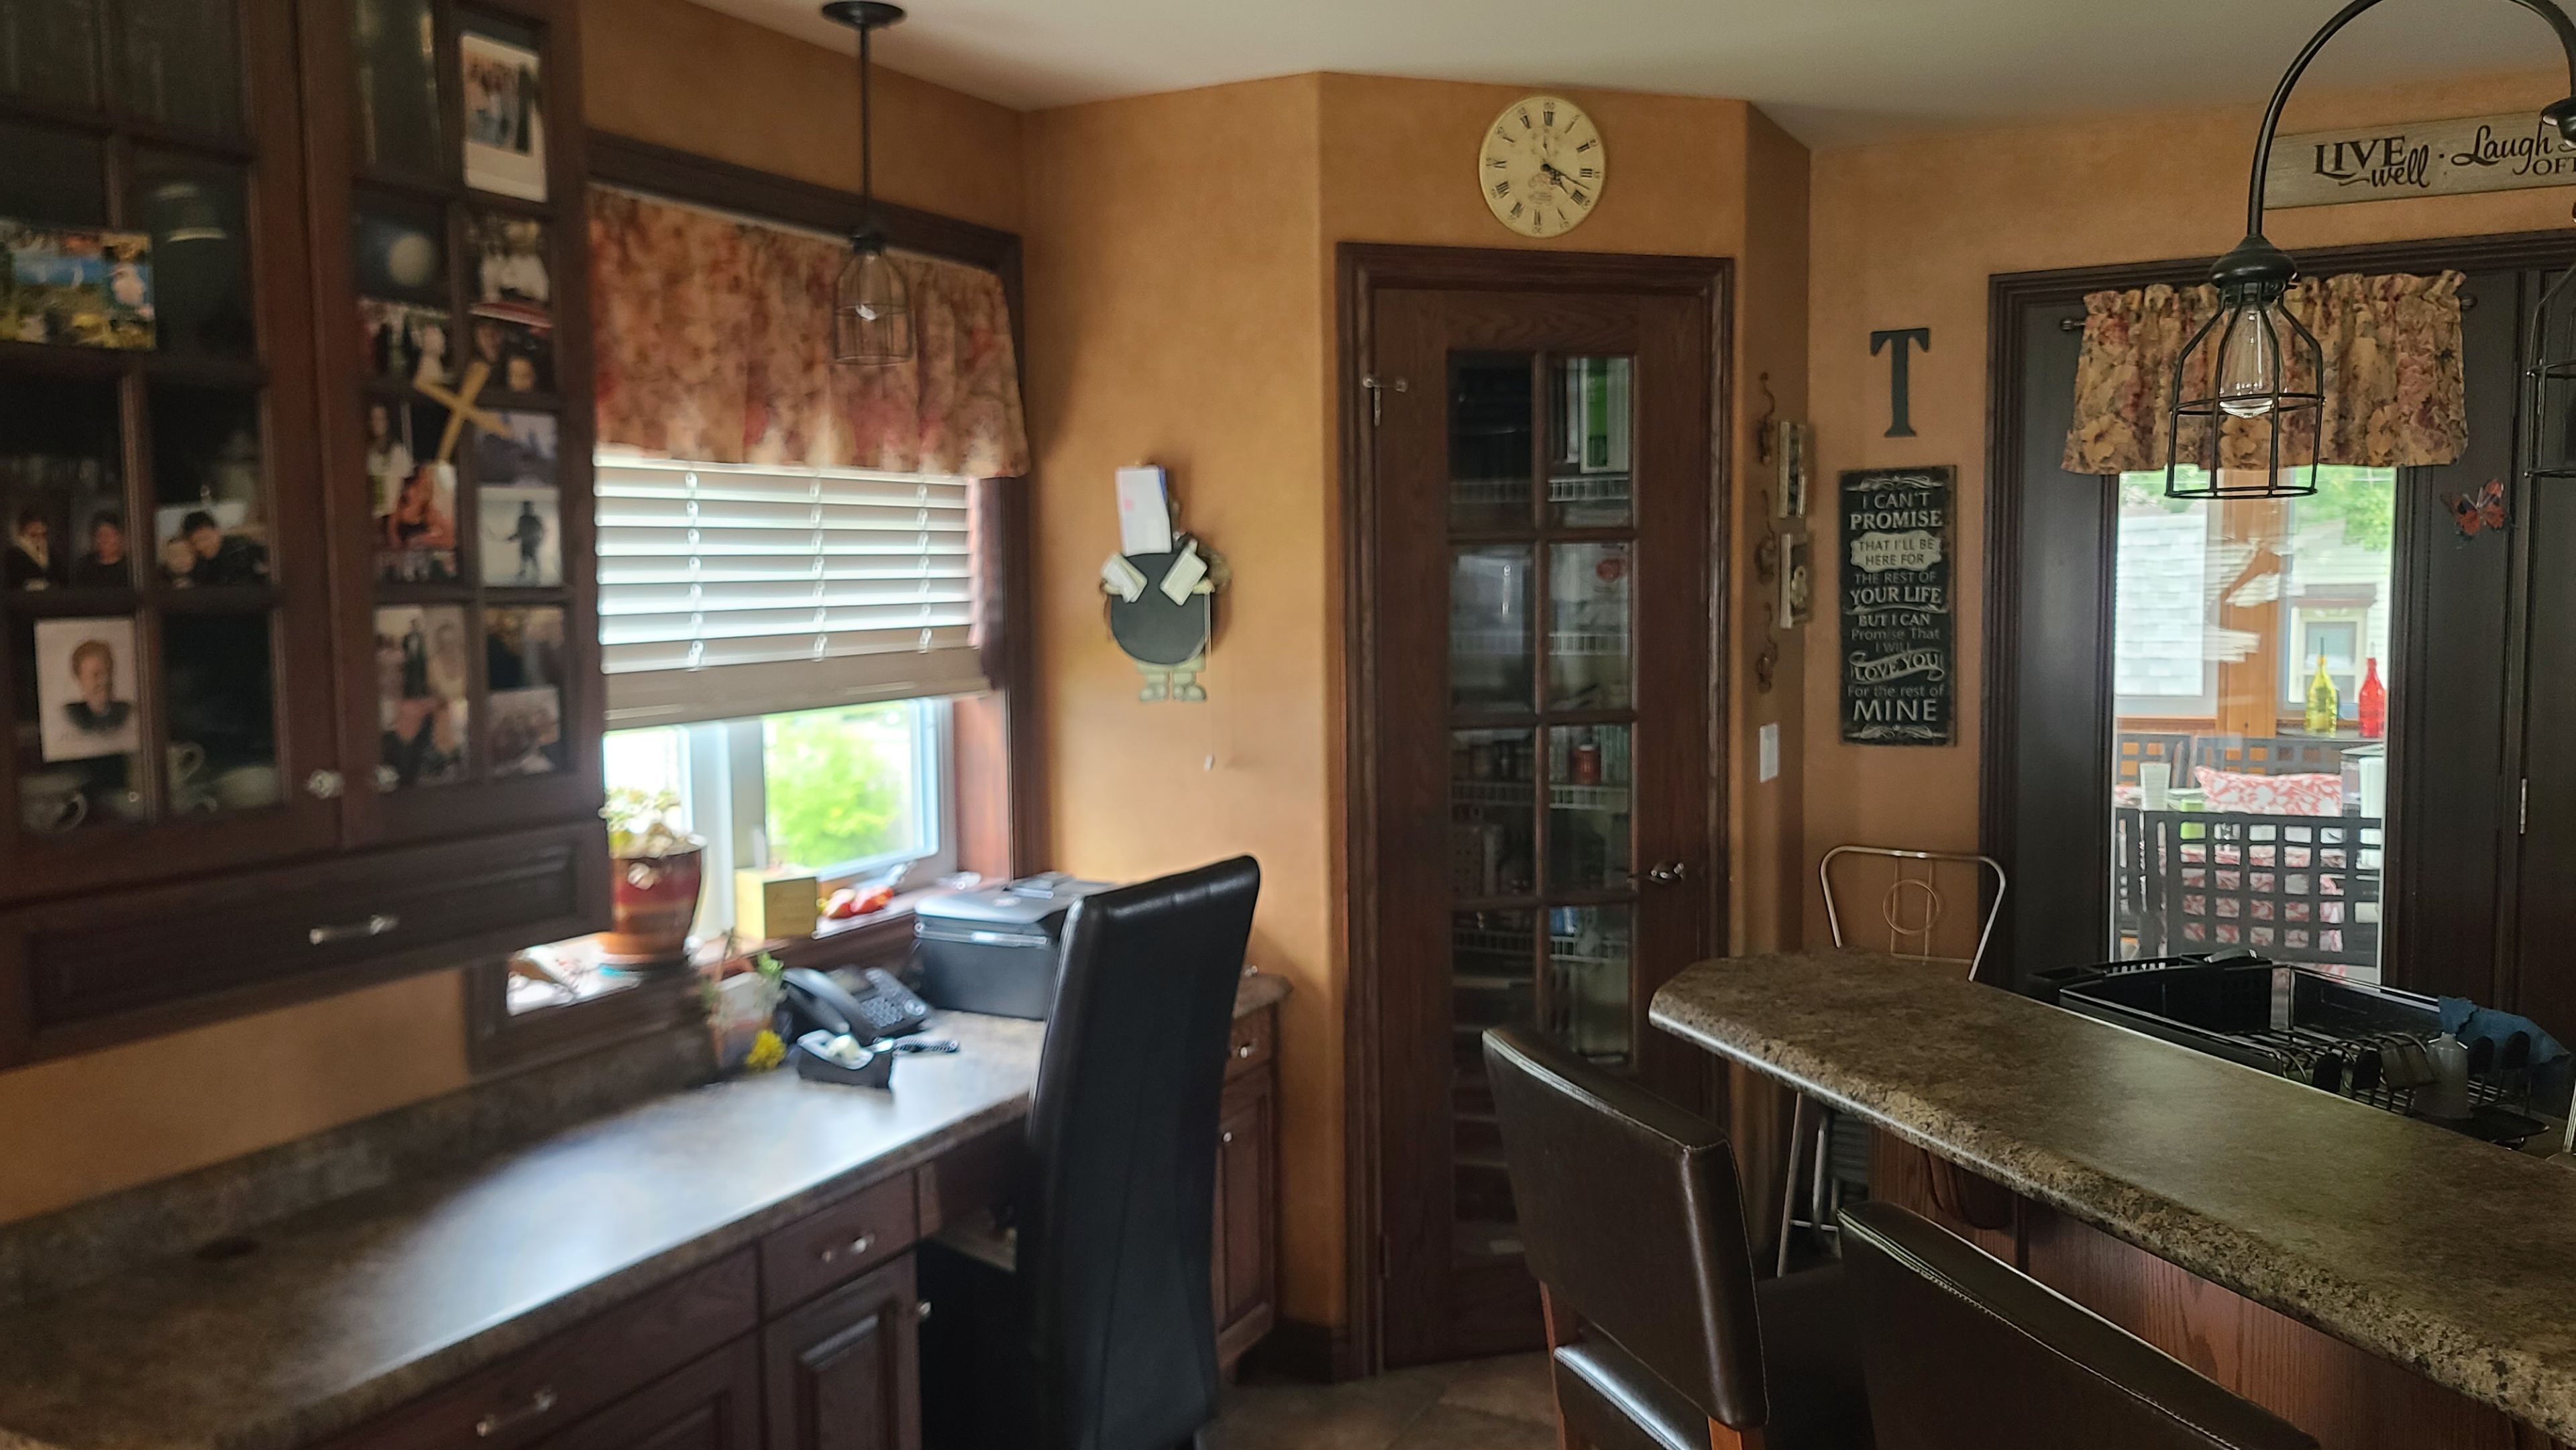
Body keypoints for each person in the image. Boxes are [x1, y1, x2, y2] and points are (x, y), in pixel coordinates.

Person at [62, 637, 133, 740]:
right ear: (80, 679)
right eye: (96, 675)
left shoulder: (128, 713)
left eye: (108, 671)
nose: (105, 680)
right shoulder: (68, 716)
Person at [177, 509, 268, 586]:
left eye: (205, 538)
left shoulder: (243, 550)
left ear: (217, 531)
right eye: (195, 543)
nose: (201, 546)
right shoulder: (197, 563)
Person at [7, 509, 63, 590]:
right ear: (22, 534)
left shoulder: (52, 554)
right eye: (34, 535)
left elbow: (61, 583)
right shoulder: (12, 556)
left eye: (43, 534)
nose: (40, 540)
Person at [68, 511, 127, 588]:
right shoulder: (85, 568)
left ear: (119, 537)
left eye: (109, 535)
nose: (105, 540)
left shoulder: (128, 569)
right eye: (100, 535)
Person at [510, 498, 547, 582]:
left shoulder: (535, 519)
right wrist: (512, 537)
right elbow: (520, 532)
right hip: (525, 543)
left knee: (533, 560)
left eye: (527, 507)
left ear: (531, 507)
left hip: (532, 543)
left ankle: (537, 577)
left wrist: (540, 541)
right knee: (524, 559)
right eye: (524, 507)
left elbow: (542, 531)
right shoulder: (522, 519)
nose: (525, 509)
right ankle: (524, 575)